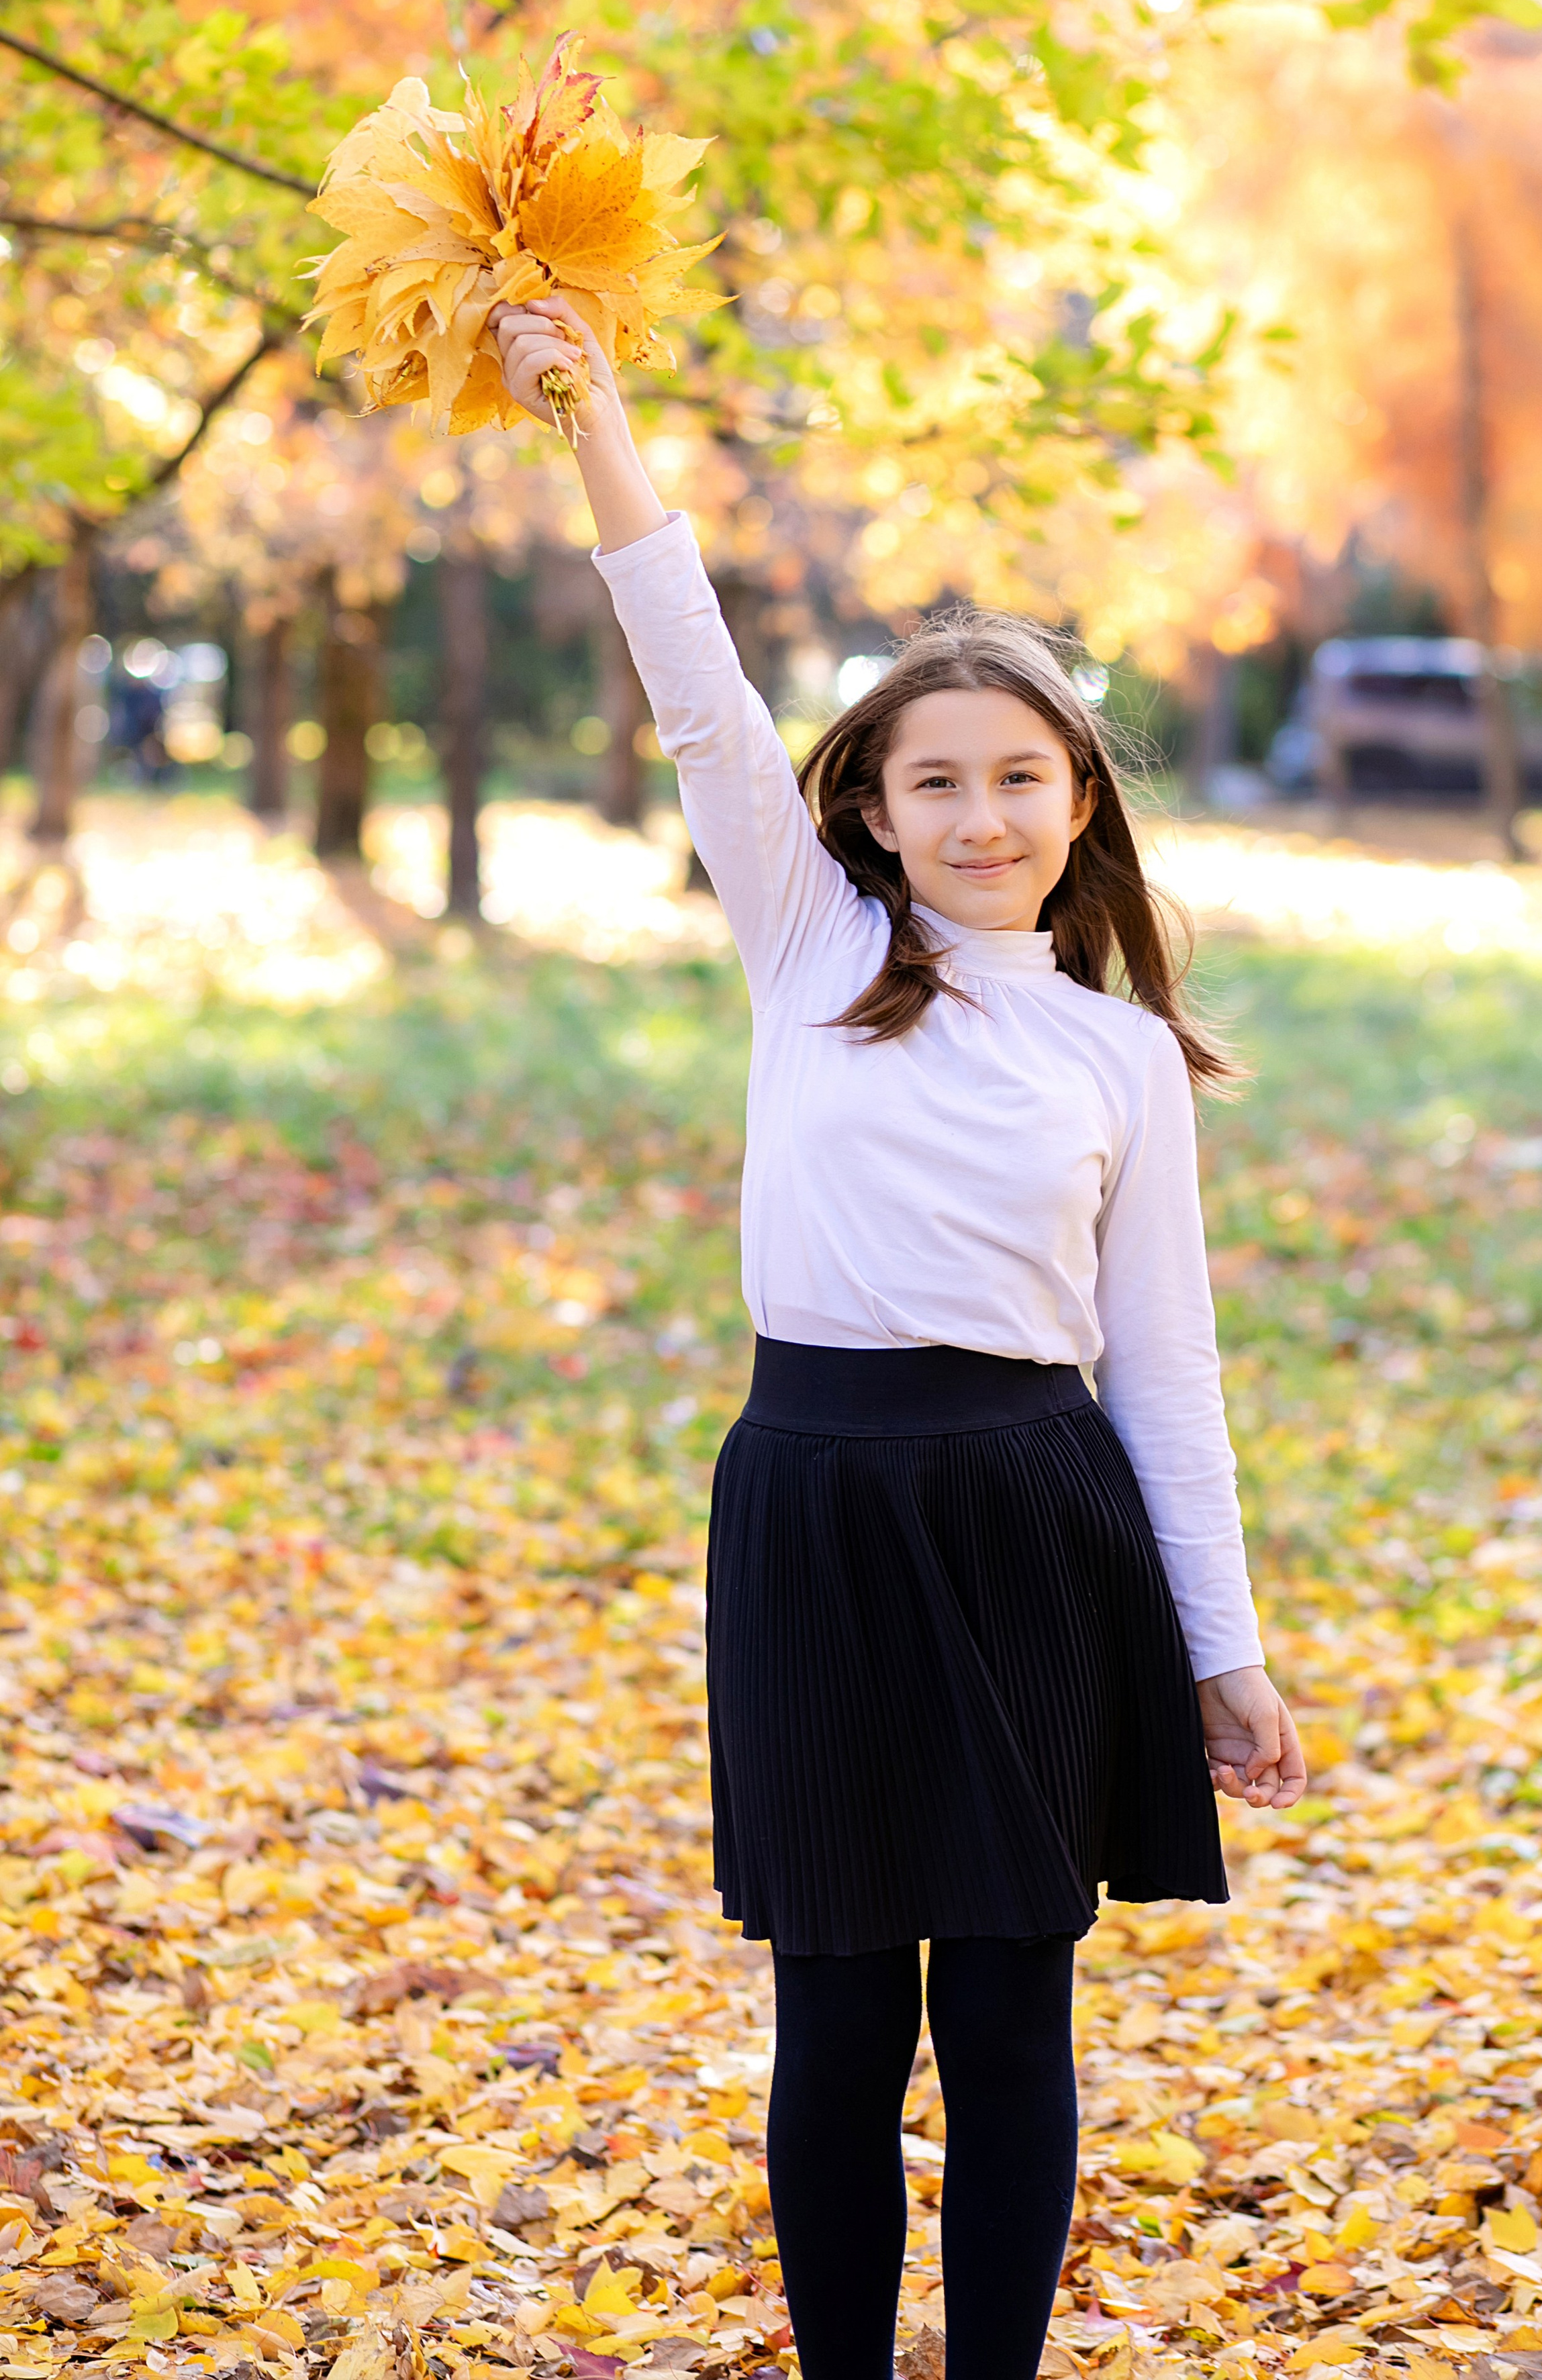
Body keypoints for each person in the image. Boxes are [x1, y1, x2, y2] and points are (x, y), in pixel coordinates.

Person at [490, 297, 1308, 2380]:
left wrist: (1222, 1645)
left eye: (1018, 780)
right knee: (841, 2009)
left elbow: (1166, 1372)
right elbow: (691, 676)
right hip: (820, 1510)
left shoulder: (1119, 1055)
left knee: (1014, 2013)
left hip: (1035, 1520)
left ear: (1079, 805)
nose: (977, 816)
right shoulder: (804, 943)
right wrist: (593, 408)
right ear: (866, 809)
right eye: (933, 781)